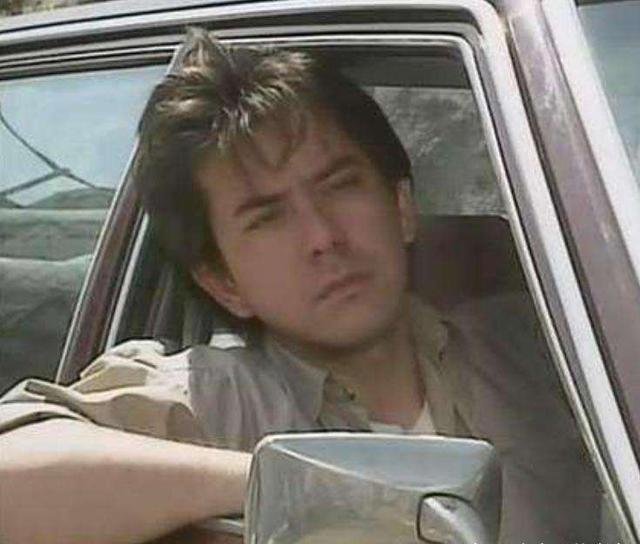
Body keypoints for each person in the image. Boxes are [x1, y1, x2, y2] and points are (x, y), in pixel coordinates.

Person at [0, 29, 599, 544]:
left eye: (340, 186)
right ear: (223, 283)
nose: (323, 237)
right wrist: (288, 481)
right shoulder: (216, 399)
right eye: (267, 218)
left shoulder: (543, 346)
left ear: (402, 207)